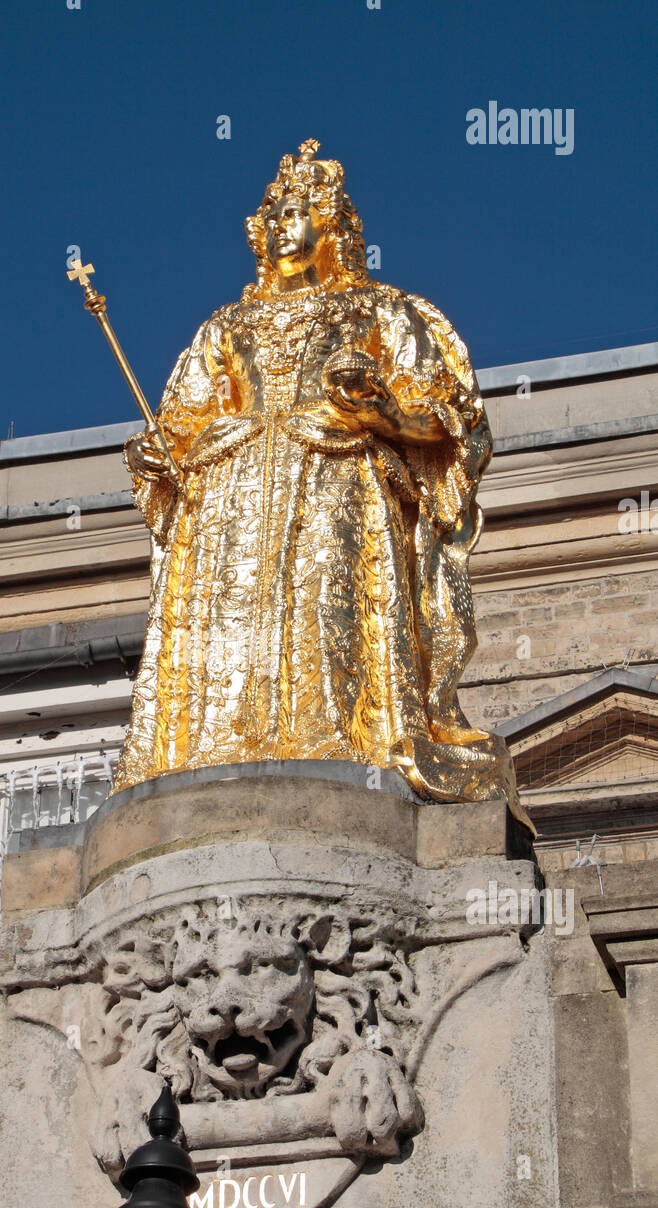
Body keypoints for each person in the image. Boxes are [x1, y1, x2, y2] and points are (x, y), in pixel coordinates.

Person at [114, 138, 531, 829]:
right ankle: (212, 752)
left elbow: (449, 417)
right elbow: (181, 423)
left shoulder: (379, 311)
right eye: (275, 211)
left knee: (334, 610)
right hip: (230, 499)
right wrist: (156, 455)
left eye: (302, 210)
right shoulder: (225, 326)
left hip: (337, 482)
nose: (285, 222)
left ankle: (354, 744)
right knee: (231, 627)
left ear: (332, 228)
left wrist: (382, 410)